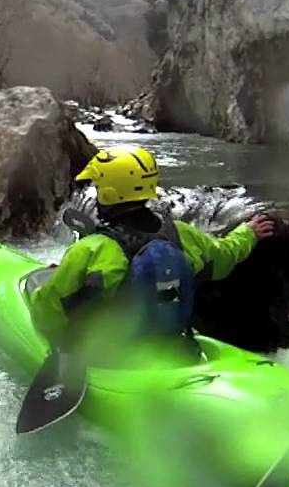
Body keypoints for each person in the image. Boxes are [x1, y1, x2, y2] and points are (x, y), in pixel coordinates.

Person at [28, 146, 275, 356]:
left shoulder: (92, 249)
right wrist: (248, 233)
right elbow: (223, 256)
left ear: (109, 193)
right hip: (172, 347)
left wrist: (53, 334)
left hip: (112, 357)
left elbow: (49, 307)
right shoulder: (182, 234)